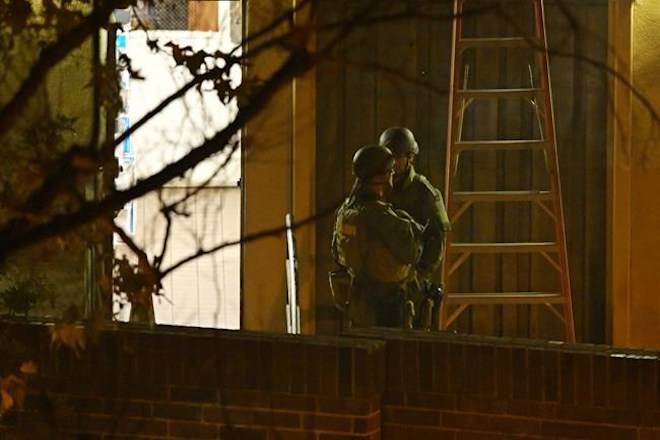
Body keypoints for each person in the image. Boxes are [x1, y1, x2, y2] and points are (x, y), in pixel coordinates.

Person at [330, 144, 424, 328]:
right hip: (387, 307)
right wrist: (408, 223)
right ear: (380, 177)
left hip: (359, 301)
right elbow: (412, 252)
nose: (392, 177)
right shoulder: (381, 217)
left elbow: (336, 252)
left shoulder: (346, 211)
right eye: (390, 172)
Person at [378, 126, 451, 329]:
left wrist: (418, 275)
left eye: (395, 157)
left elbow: (436, 238)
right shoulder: (376, 185)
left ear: (410, 158)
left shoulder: (424, 192)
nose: (390, 163)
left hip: (408, 283)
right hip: (379, 280)